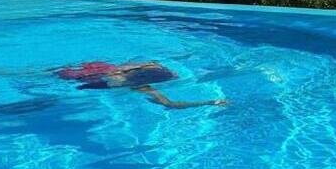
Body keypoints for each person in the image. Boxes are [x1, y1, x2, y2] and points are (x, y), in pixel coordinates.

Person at [57, 61, 227, 109]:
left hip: (98, 67)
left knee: (54, 72)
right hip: (94, 81)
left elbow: (151, 63)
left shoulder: (134, 67)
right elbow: (171, 104)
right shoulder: (141, 86)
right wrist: (209, 102)